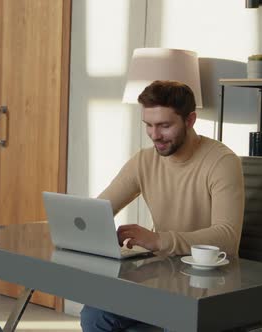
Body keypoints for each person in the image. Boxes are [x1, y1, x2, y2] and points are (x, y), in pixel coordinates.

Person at [80, 80, 245, 332]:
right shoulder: (144, 161)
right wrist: (94, 231)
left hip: (207, 285)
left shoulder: (222, 162)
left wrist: (159, 240)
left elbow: (227, 237)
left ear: (190, 120)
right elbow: (99, 209)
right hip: (161, 277)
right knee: (94, 315)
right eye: (148, 125)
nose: (155, 135)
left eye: (165, 126)